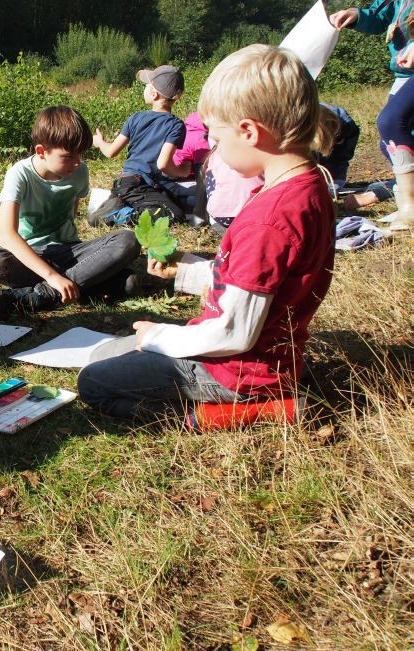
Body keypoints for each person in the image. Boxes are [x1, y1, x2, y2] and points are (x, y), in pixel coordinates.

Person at [76, 44, 337, 420]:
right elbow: (256, 280)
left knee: (93, 382)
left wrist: (159, 336)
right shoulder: (306, 186)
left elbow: (234, 333)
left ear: (248, 131)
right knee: (106, 352)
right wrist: (185, 270)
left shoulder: (270, 217)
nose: (212, 151)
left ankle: (259, 411)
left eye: (215, 138)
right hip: (260, 351)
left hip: (237, 368)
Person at [0, 106, 140, 319]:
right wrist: (52, 276)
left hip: (70, 252)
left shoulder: (79, 170)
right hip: (31, 255)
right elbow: (6, 236)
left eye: (81, 154)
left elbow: (72, 211)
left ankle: (39, 295)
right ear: (41, 151)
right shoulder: (19, 175)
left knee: (127, 240)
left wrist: (55, 278)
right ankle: (88, 284)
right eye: (69, 156)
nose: (77, 162)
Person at [330, 0, 414, 228]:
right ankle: (401, 199)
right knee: (391, 143)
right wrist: (357, 16)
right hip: (404, 72)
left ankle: (410, 211)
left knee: (391, 123)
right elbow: (382, 15)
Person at [88, 65, 191, 225]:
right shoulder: (175, 125)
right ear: (178, 96)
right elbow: (163, 164)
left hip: (125, 183)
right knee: (175, 214)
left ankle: (117, 202)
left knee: (170, 202)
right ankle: (116, 216)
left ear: (153, 94)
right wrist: (181, 172)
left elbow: (110, 152)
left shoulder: (135, 118)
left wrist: (99, 142)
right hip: (140, 185)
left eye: (146, 87)